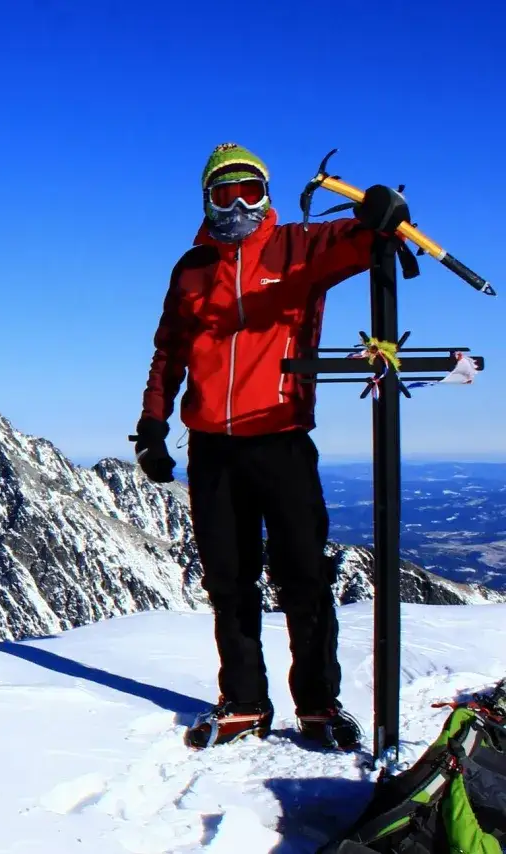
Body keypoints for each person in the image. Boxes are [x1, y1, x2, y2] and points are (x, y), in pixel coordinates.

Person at [133, 142, 410, 750]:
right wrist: (153, 426)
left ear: (267, 195)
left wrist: (383, 212)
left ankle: (316, 705)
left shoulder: (298, 248)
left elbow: (366, 238)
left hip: (281, 440)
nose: (238, 204)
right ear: (206, 199)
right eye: (225, 192)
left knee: (303, 576)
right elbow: (169, 353)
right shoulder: (191, 269)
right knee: (228, 582)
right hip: (212, 449)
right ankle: (245, 702)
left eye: (249, 191)